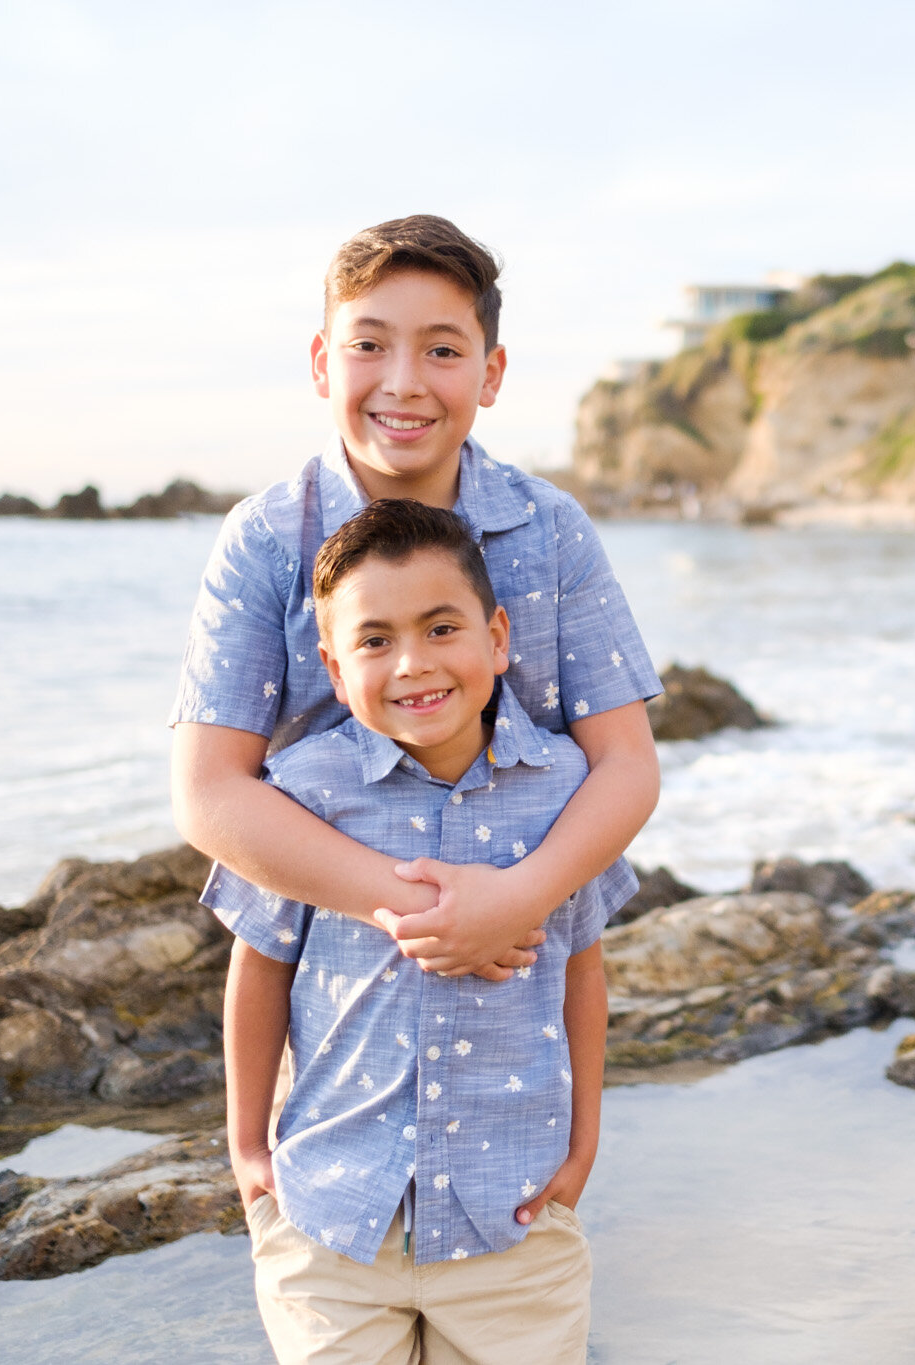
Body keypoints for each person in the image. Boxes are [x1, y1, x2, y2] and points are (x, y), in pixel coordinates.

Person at [170, 214, 662, 988]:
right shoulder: (266, 538)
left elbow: (627, 764)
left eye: (441, 350)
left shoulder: (550, 529)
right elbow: (208, 792)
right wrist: (425, 910)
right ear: (322, 362)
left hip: (527, 976)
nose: (403, 381)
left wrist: (516, 897)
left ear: (491, 373)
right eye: (368, 344)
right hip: (338, 994)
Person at [219, 499, 619, 1361]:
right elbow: (259, 964)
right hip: (331, 1218)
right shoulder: (301, 792)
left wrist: (584, 1143)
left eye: (442, 628)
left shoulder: (563, 790)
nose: (413, 663)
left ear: (498, 635)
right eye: (374, 641)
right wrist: (248, 1146)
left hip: (511, 1219)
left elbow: (582, 969)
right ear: (331, 663)